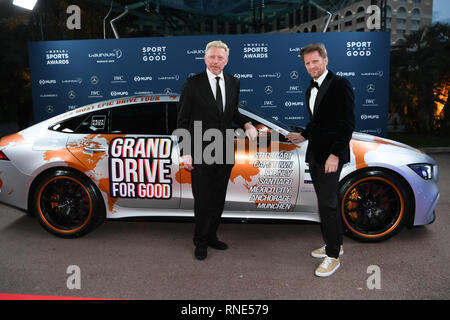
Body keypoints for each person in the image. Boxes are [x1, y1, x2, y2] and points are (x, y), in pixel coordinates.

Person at [177, 40, 258, 260]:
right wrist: (185, 151)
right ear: (205, 58)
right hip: (200, 151)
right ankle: (200, 241)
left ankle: (212, 236)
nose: (215, 61)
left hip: (224, 150)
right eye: (212, 57)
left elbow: (231, 111)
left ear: (226, 61)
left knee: (218, 198)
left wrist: (247, 123)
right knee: (203, 199)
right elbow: (182, 121)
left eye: (220, 58)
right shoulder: (192, 84)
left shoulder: (233, 82)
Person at [286, 43, 355, 277]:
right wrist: (303, 134)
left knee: (327, 204)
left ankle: (333, 256)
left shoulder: (340, 84)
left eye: (315, 61)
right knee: (327, 202)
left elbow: (347, 123)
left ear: (325, 60)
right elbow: (317, 122)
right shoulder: (310, 89)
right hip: (315, 153)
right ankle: (335, 243)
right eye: (307, 63)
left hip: (331, 156)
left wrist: (335, 154)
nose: (312, 66)